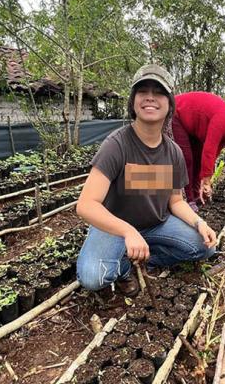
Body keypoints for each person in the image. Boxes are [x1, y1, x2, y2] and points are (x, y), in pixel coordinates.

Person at [75, 64, 217, 300]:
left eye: (159, 92)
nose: (150, 97)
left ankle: (141, 256)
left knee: (205, 247)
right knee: (93, 277)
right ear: (133, 102)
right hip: (116, 227)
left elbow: (175, 202)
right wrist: (128, 230)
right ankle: (122, 268)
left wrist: (199, 222)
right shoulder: (116, 145)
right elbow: (86, 205)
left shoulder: (173, 152)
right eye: (143, 91)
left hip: (156, 224)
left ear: (170, 104)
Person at [172, 92, 225, 210]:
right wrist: (207, 181)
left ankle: (197, 194)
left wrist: (207, 178)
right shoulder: (223, 118)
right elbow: (209, 149)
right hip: (177, 114)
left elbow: (213, 154)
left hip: (192, 125)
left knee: (198, 158)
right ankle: (189, 199)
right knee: (186, 159)